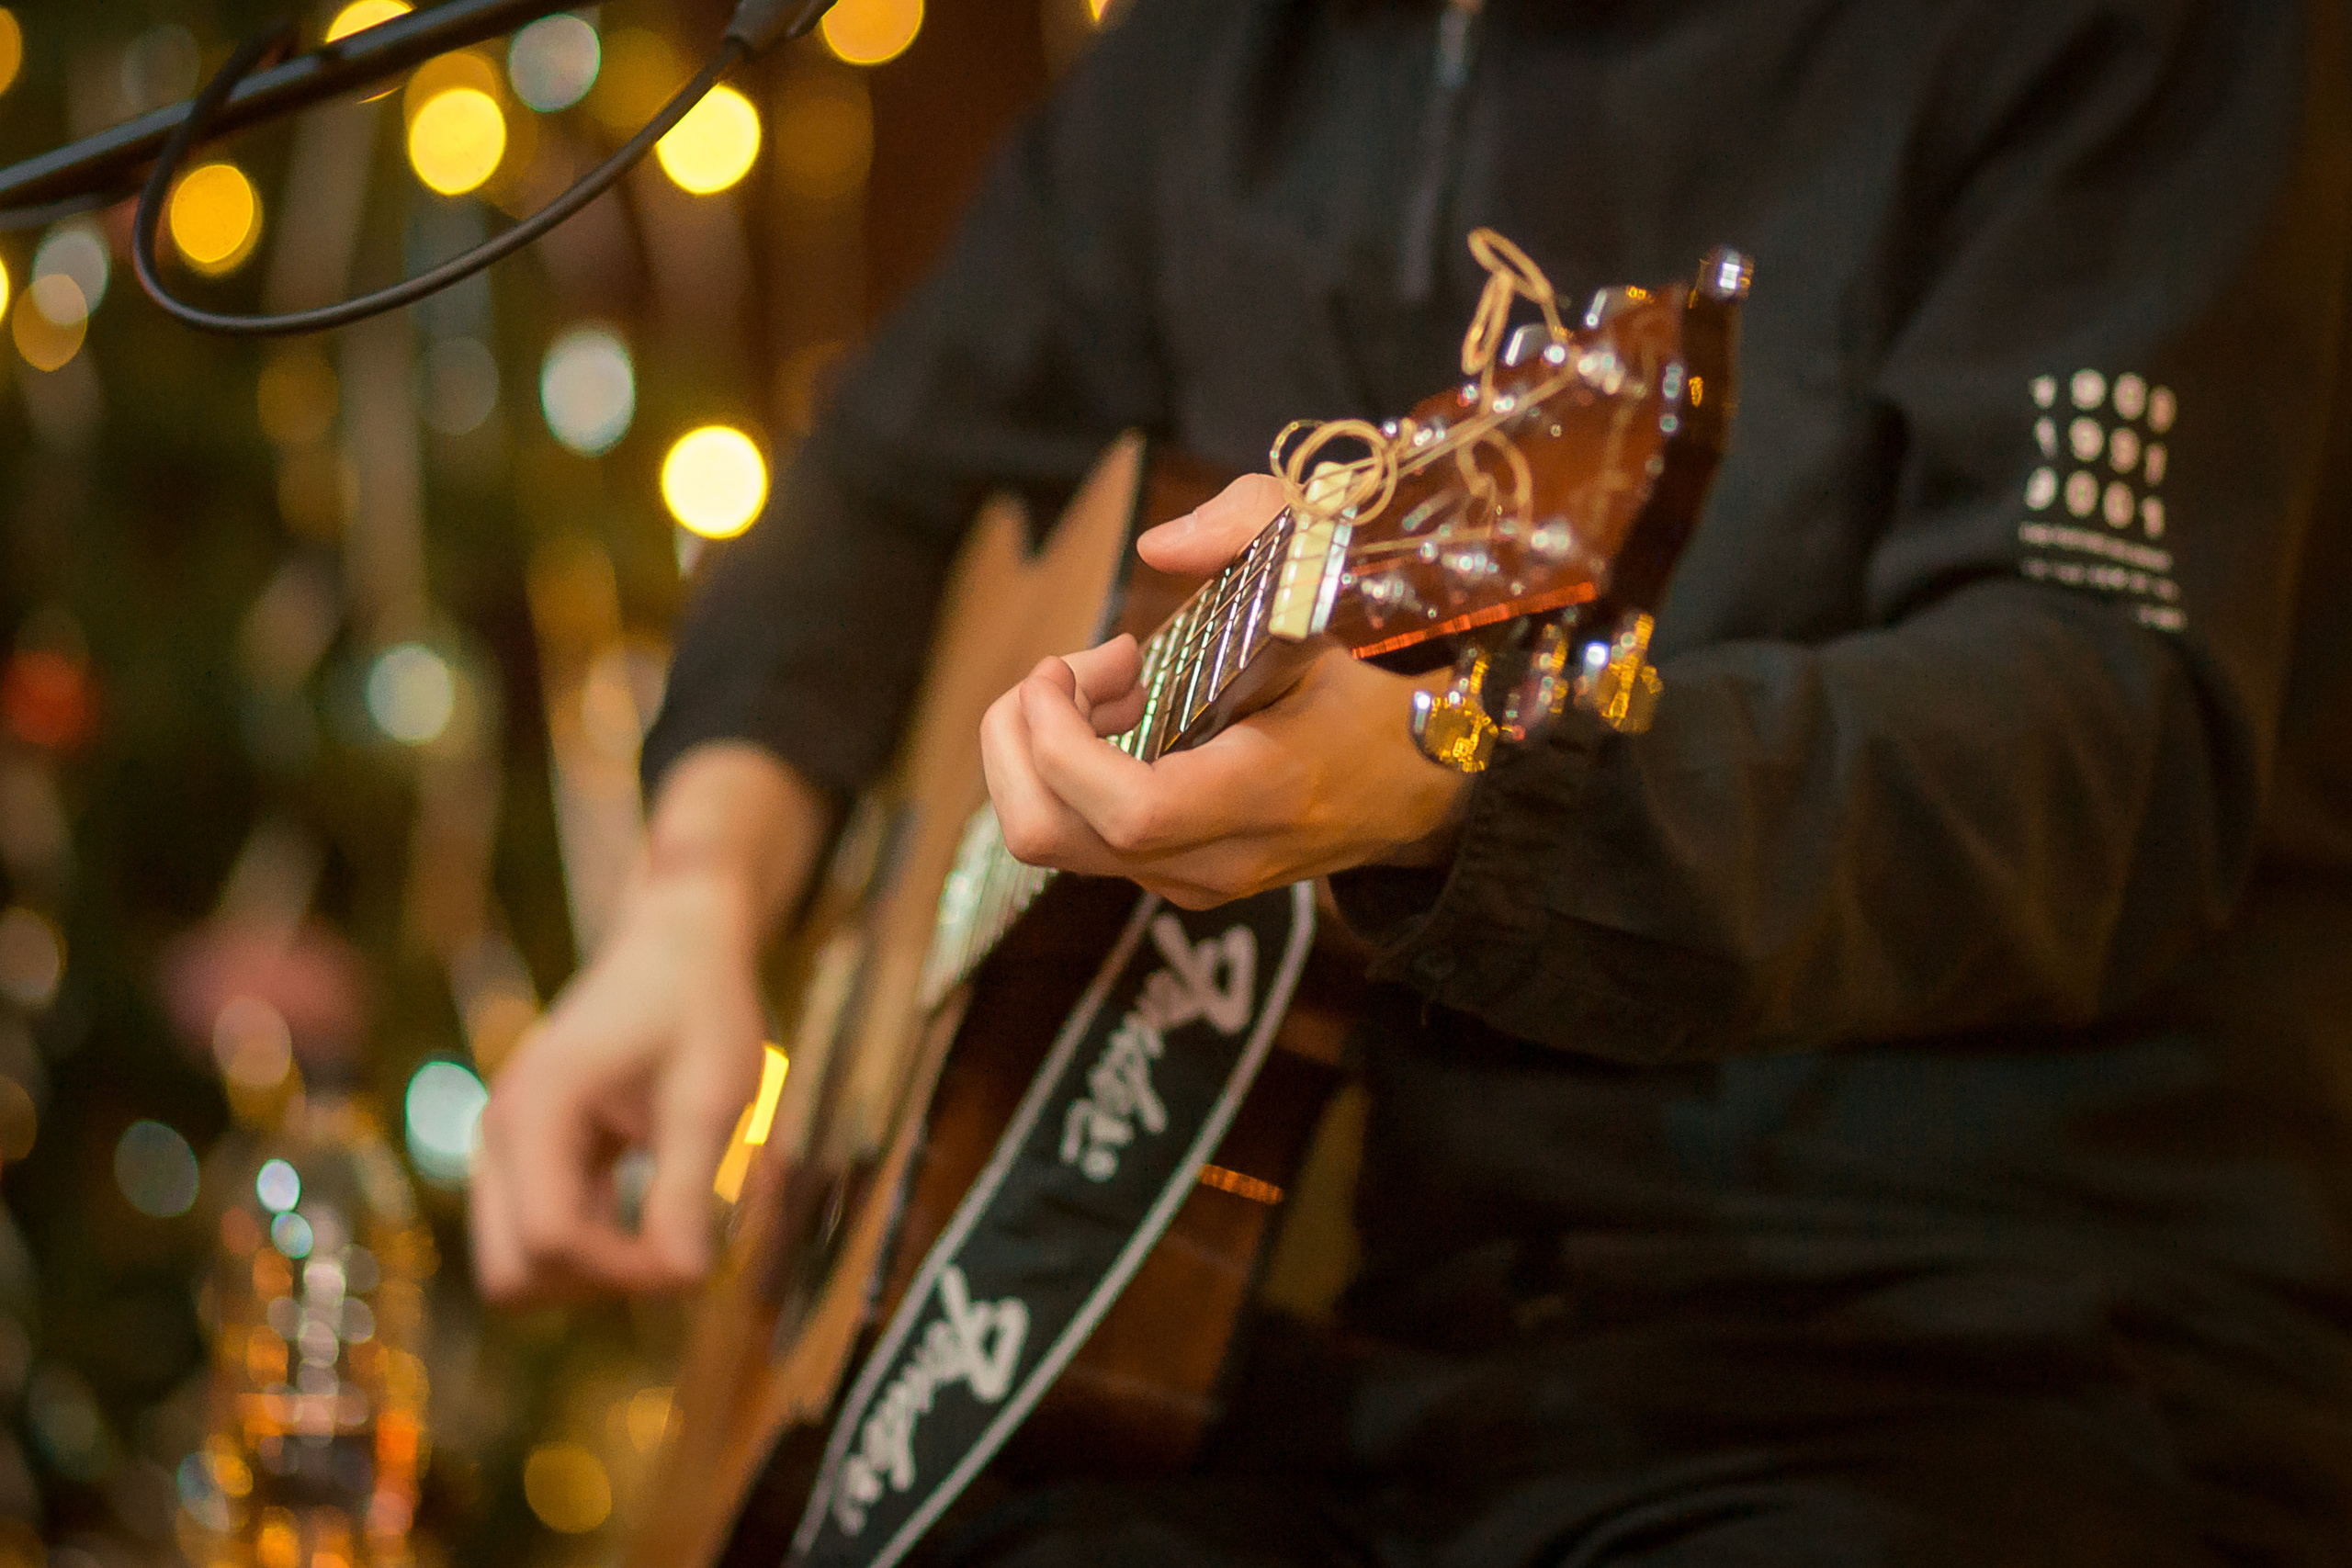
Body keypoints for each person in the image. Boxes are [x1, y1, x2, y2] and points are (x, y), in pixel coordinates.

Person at [471, 0, 2352, 1560]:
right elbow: (889, 469)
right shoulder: (1224, 54)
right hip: (1343, 1307)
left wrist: (1460, 779)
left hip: (1962, 1329)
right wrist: (696, 896)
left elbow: (2099, 744)